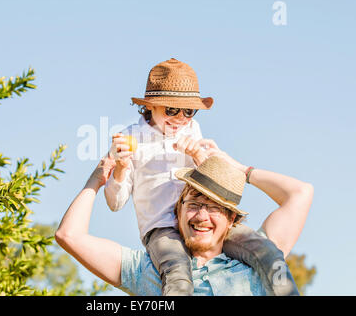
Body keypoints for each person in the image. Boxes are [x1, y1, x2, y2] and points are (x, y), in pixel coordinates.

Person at [103, 58, 298, 295]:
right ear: (150, 105)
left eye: (188, 111)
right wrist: (121, 168)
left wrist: (198, 155)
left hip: (203, 221)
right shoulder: (130, 139)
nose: (180, 118)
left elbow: (212, 182)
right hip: (163, 228)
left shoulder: (191, 128)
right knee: (178, 275)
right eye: (172, 109)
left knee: (268, 253)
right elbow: (115, 203)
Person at [55, 142, 313, 295]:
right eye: (193, 205)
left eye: (214, 208)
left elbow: (301, 193)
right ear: (177, 211)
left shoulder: (257, 260)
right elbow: (69, 236)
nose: (202, 216)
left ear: (231, 218)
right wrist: (97, 180)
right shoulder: (148, 270)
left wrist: (238, 170)